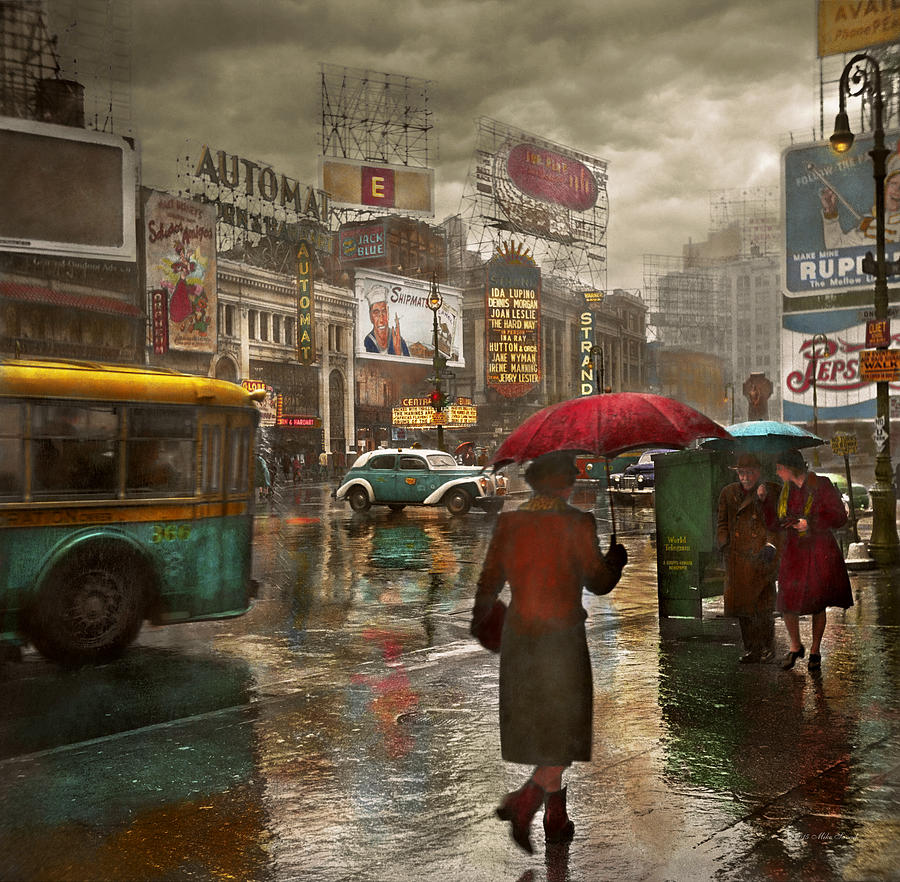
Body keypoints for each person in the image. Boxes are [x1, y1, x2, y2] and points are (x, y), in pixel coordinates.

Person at [470, 451, 628, 853]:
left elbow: (488, 582)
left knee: (548, 735)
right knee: (565, 734)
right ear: (563, 484)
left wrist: (483, 619)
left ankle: (556, 817)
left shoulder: (510, 524)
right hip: (562, 642)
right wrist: (616, 560)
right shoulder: (577, 523)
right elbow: (598, 583)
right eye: (571, 478)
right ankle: (525, 803)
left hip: (522, 640)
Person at [757, 448, 853, 672]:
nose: (778, 473)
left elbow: (839, 516)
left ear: (790, 468)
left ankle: (815, 650)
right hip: (794, 553)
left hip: (819, 550)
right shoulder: (785, 492)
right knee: (787, 602)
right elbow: (775, 524)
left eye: (780, 468)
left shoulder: (822, 484)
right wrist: (763, 501)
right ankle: (795, 645)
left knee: (818, 602)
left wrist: (811, 523)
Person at [716, 452, 781, 664]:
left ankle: (767, 648)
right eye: (741, 474)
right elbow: (722, 522)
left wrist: (770, 546)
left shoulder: (766, 491)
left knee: (763, 607)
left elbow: (774, 522)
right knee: (742, 608)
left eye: (749, 474)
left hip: (760, 557)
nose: (745, 478)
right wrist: (724, 543)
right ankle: (752, 649)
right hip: (737, 558)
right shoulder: (728, 493)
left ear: (758, 473)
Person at [820, 140, 900, 249]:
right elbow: (836, 249)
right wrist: (831, 215)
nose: (897, 190)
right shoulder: (870, 226)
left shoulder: (873, 226)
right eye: (893, 183)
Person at [363, 284, 409, 356]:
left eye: (384, 312)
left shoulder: (397, 339)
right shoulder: (369, 341)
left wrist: (398, 353)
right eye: (376, 313)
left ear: (388, 313)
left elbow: (408, 365)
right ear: (371, 316)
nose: (381, 319)